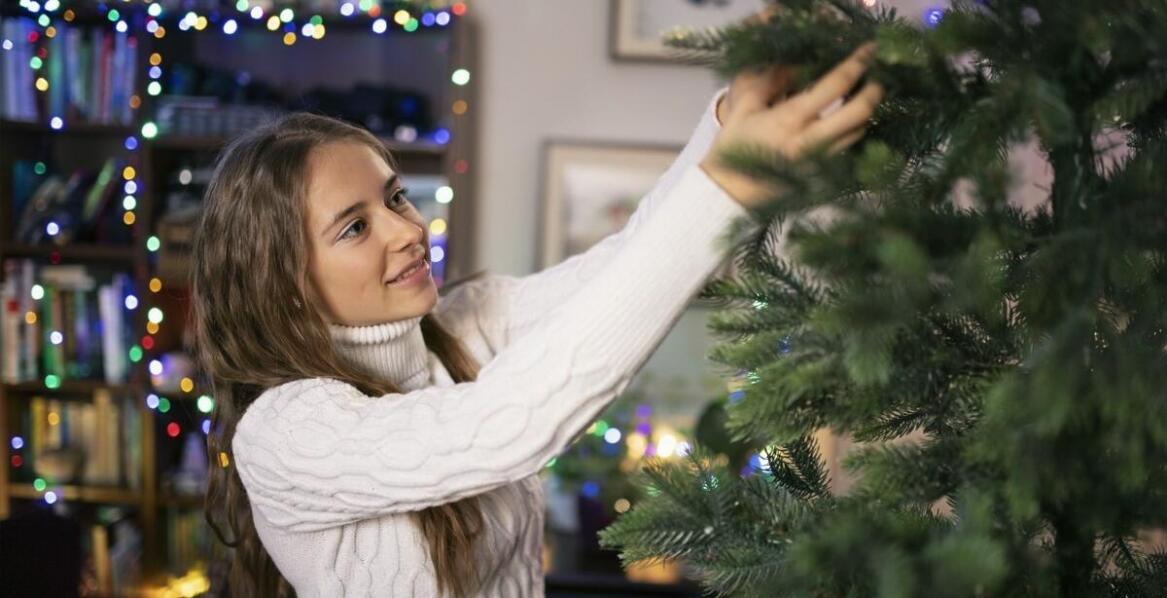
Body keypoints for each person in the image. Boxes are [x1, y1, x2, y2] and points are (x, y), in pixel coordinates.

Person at [192, 37, 882, 598]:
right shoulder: (284, 432)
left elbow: (624, 262)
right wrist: (725, 186)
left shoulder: (465, 323)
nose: (406, 230)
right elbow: (502, 427)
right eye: (353, 227)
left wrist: (730, 118)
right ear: (283, 285)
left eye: (396, 198)